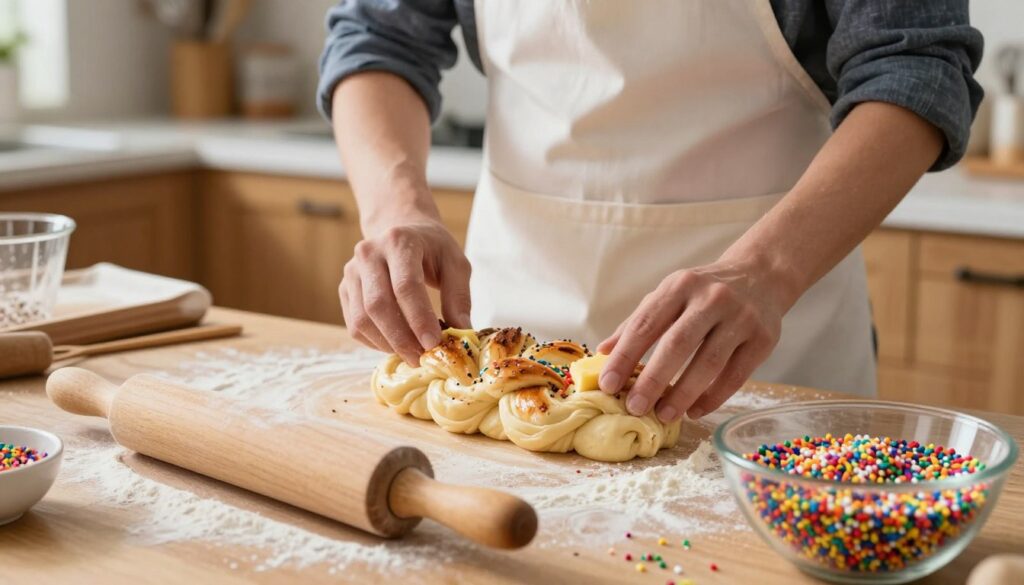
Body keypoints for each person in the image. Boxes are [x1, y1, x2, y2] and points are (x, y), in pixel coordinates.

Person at [318, 1, 983, 422]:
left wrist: (768, 269)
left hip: (771, 378)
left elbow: (917, 67)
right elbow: (378, 35)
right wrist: (395, 211)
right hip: (512, 364)